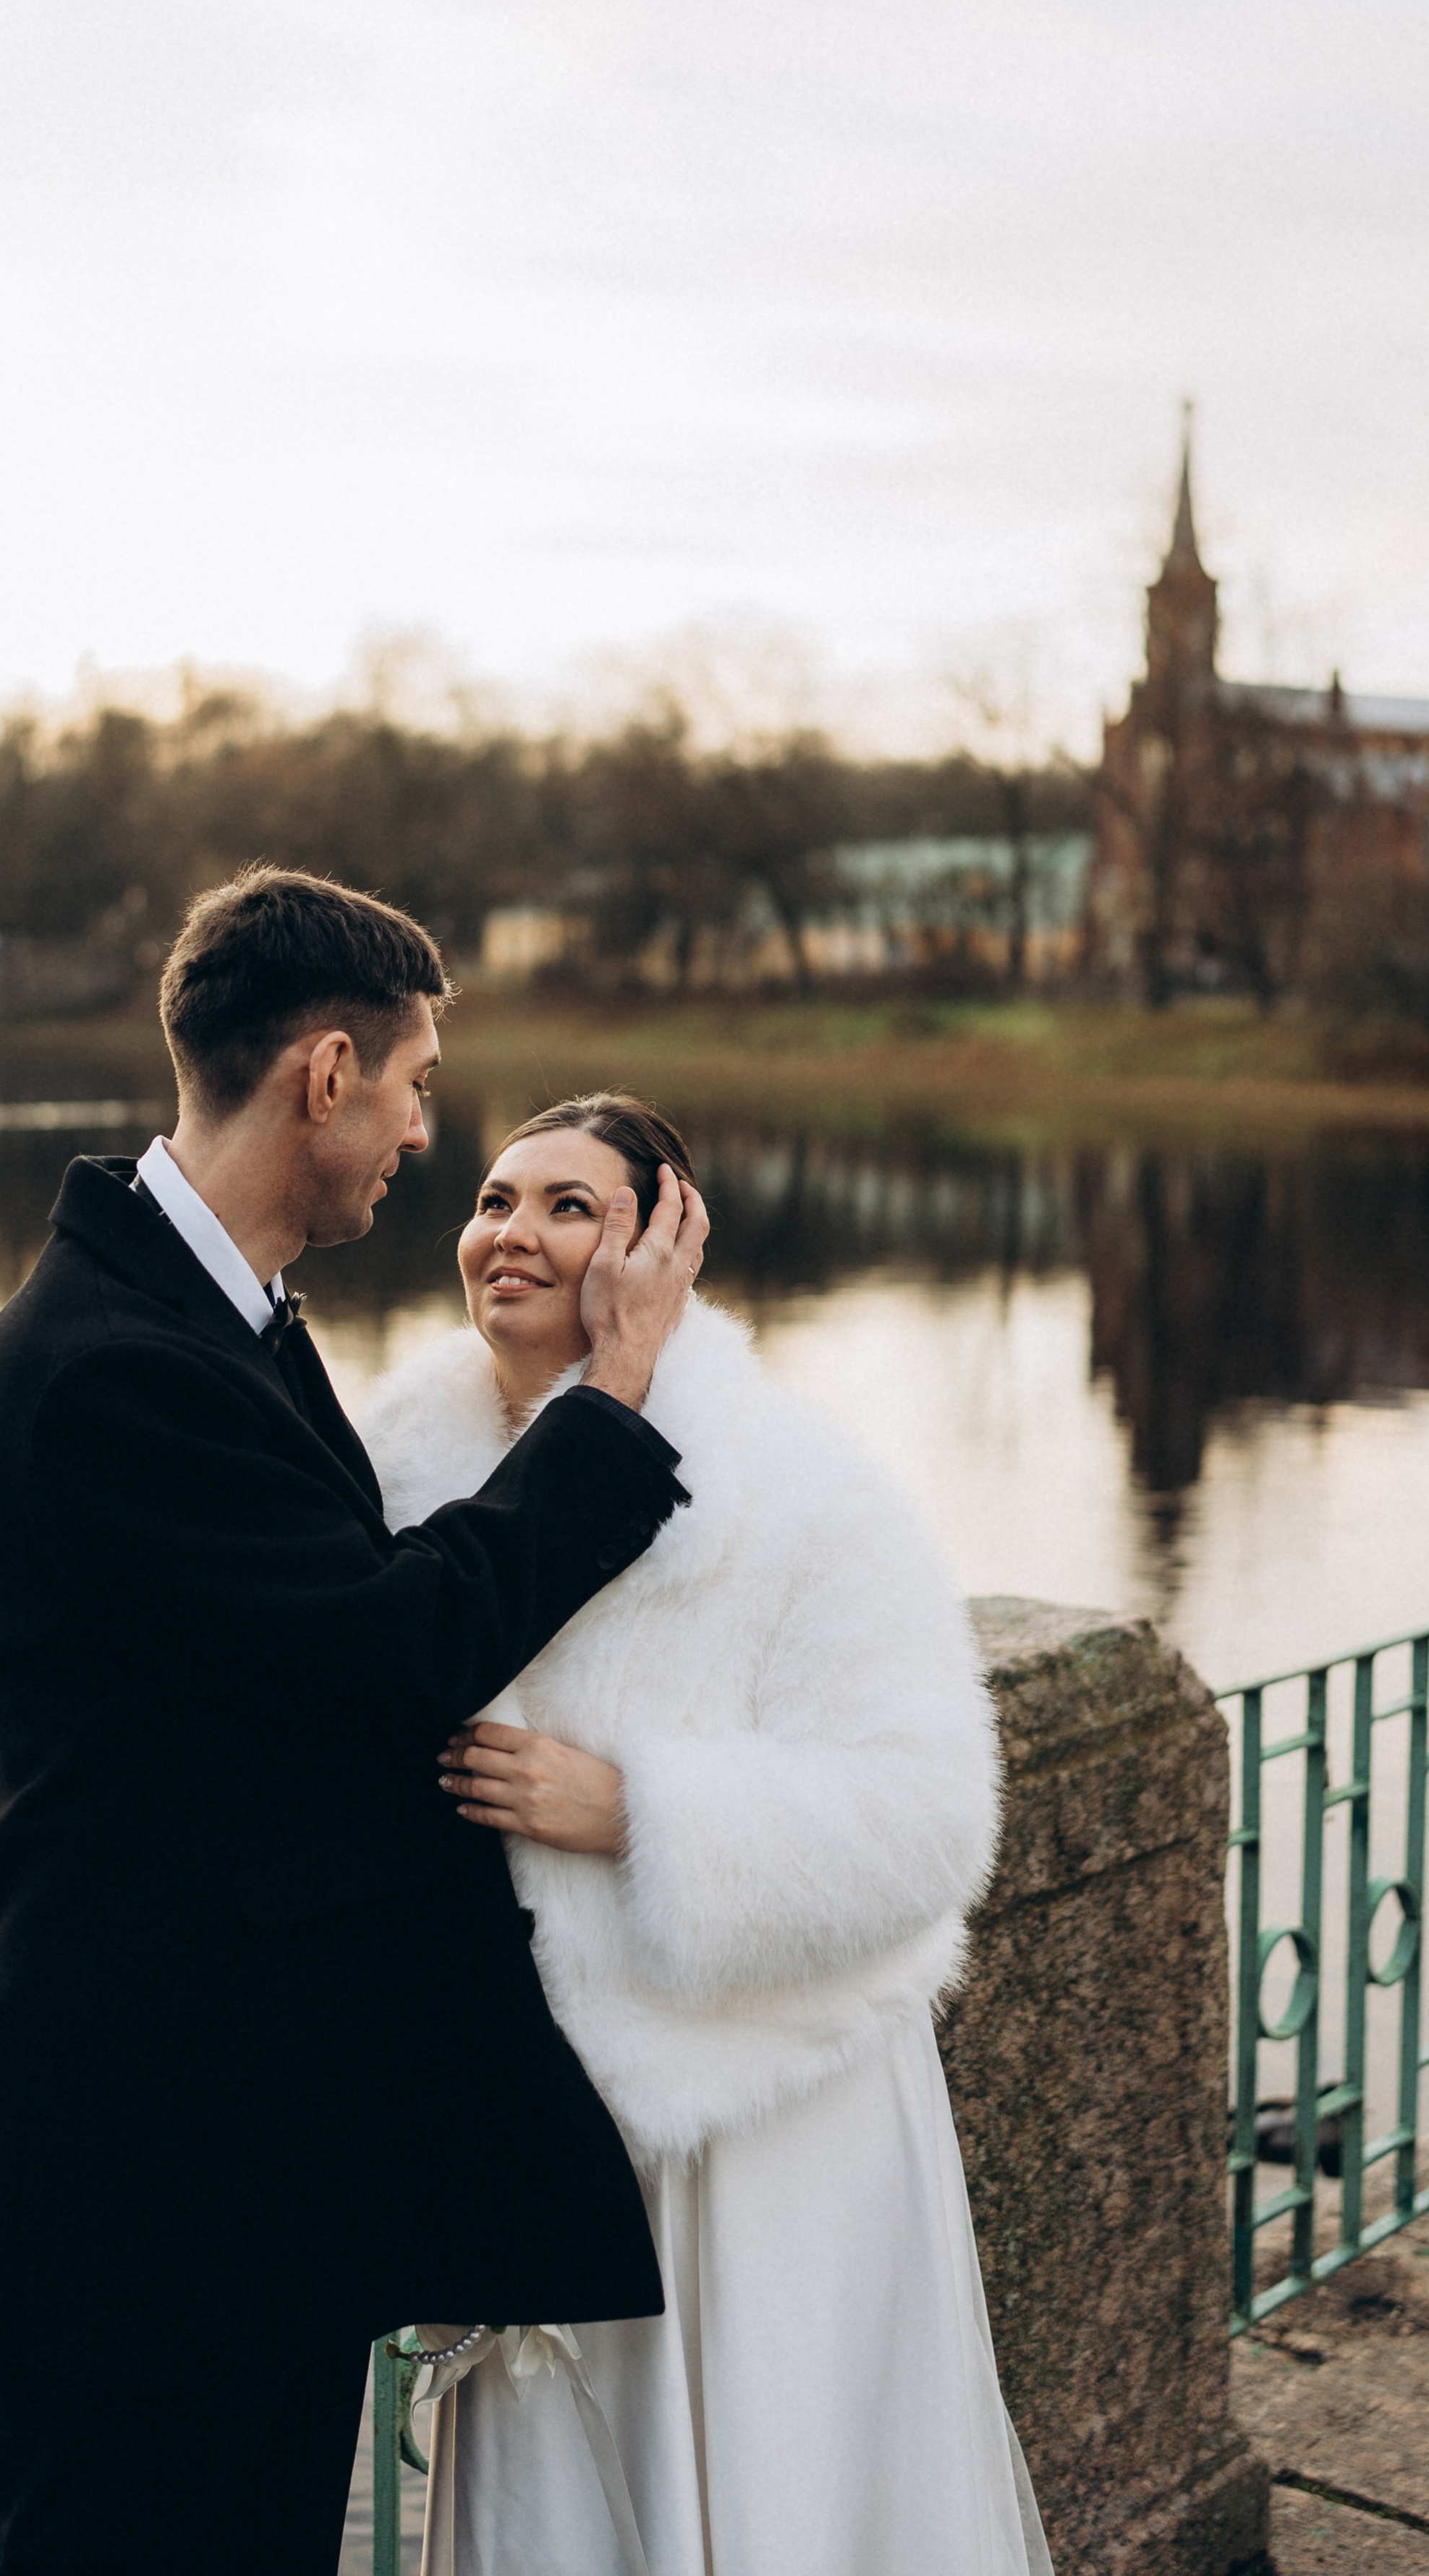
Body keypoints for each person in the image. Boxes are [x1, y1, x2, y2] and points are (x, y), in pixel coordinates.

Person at [0, 879, 708, 2576]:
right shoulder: (105, 1365)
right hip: (144, 2194)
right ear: (328, 1072)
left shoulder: (216, 1320)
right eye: (419, 1086)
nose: (426, 1133)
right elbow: (394, 1647)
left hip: (241, 2173)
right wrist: (613, 1406)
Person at [358, 1093, 1052, 2576]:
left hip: (754, 2122)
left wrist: (636, 1814)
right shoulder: (386, 1474)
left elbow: (925, 1815)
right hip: (528, 2121)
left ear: (665, 1242)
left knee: (769, 2501)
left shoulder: (795, 1485)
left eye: (568, 1206)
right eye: (492, 1199)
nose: (511, 1234)